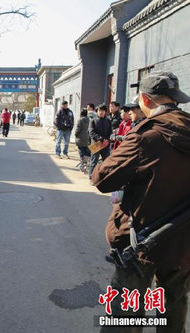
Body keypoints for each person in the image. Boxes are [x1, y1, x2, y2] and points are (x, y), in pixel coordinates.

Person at [93, 71, 190, 332]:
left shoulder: (145, 136)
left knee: (125, 315)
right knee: (174, 309)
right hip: (183, 242)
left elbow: (102, 179)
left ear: (145, 100)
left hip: (141, 242)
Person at [88, 103, 111, 180]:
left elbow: (110, 132)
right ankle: (91, 177)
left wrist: (107, 140)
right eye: (99, 110)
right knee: (93, 161)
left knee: (106, 161)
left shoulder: (108, 121)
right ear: (97, 111)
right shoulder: (93, 121)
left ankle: (105, 176)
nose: (101, 112)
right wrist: (101, 139)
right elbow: (92, 133)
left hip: (105, 143)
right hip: (96, 144)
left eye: (103, 111)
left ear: (105, 112)